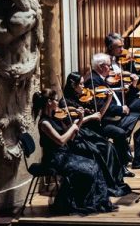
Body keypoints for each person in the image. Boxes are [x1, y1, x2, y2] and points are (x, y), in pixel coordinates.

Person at [32, 85, 121, 214]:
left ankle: (93, 201)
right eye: (56, 100)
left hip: (64, 155)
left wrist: (79, 120)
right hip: (54, 159)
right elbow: (61, 141)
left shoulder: (54, 118)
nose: (58, 103)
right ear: (49, 102)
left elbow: (71, 138)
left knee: (95, 165)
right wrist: (73, 127)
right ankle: (80, 202)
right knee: (88, 170)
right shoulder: (44, 123)